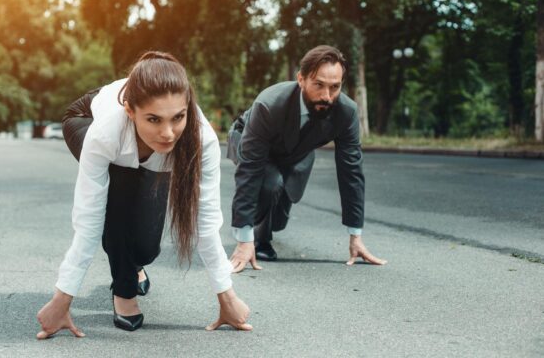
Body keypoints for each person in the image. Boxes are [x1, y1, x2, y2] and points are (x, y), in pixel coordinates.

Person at [36, 51, 251, 338]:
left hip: (133, 135)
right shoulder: (105, 135)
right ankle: (124, 292)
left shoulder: (201, 139)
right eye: (154, 120)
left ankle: (134, 265)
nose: (168, 133)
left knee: (147, 248)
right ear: (131, 112)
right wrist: (62, 300)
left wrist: (227, 297)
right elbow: (89, 220)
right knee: (120, 190)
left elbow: (206, 221)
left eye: (178, 117)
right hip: (84, 117)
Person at [227, 45, 387, 271]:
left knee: (279, 218)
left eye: (335, 87)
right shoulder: (269, 104)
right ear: (301, 79)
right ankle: (257, 240)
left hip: (296, 150)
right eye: (319, 85)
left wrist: (356, 235)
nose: (327, 96)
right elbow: (249, 171)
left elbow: (351, 172)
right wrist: (244, 240)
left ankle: (265, 229)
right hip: (248, 139)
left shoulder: (347, 112)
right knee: (270, 183)